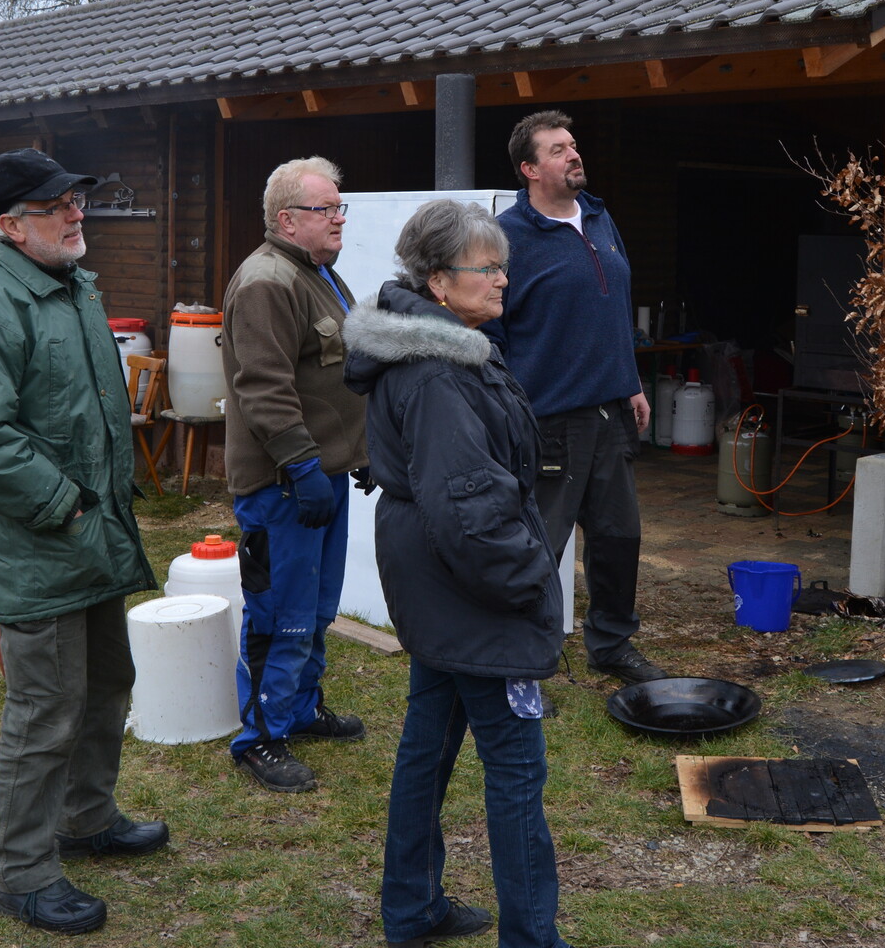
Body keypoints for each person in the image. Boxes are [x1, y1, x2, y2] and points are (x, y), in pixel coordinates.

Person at [0, 148, 167, 937]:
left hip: (94, 538)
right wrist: (69, 509)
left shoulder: (72, 290)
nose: (77, 214)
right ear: (10, 225)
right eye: (57, 205)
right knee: (43, 713)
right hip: (46, 543)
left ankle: (87, 818)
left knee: (107, 685)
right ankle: (22, 874)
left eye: (76, 200)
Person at [343, 199, 571, 948]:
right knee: (516, 768)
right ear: (439, 281)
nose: (505, 278)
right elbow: (469, 508)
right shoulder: (440, 371)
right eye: (489, 266)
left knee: (426, 747)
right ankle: (532, 939)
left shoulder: (446, 344)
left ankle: (411, 910)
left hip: (435, 581)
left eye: (502, 263)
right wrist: (530, 582)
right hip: (466, 586)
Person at [485, 111, 667, 686]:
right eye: (558, 149)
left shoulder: (599, 216)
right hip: (549, 419)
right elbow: (491, 329)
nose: (573, 155)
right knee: (540, 546)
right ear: (530, 168)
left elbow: (611, 307)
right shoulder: (507, 236)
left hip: (611, 410)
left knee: (619, 537)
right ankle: (523, 660)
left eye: (574, 146)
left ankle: (612, 646)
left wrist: (631, 380)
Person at [219, 156, 369, 792]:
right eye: (325, 209)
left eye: (339, 207)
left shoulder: (318, 274)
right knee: (279, 612)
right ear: (287, 219)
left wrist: (359, 452)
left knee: (316, 607)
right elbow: (265, 389)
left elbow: (332, 377)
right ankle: (260, 738)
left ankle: (300, 711)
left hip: (322, 478)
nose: (338, 218)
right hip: (285, 485)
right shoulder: (265, 282)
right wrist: (303, 466)